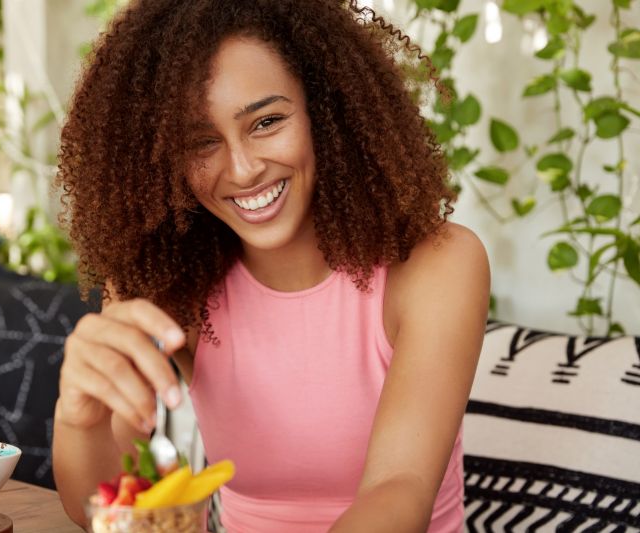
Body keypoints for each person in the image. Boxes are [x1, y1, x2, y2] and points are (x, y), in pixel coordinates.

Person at [52, 0, 490, 531]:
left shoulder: (436, 266)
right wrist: (80, 419)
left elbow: (400, 491)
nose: (243, 168)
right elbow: (105, 506)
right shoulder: (165, 282)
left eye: (266, 121)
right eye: (201, 142)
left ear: (326, 111)